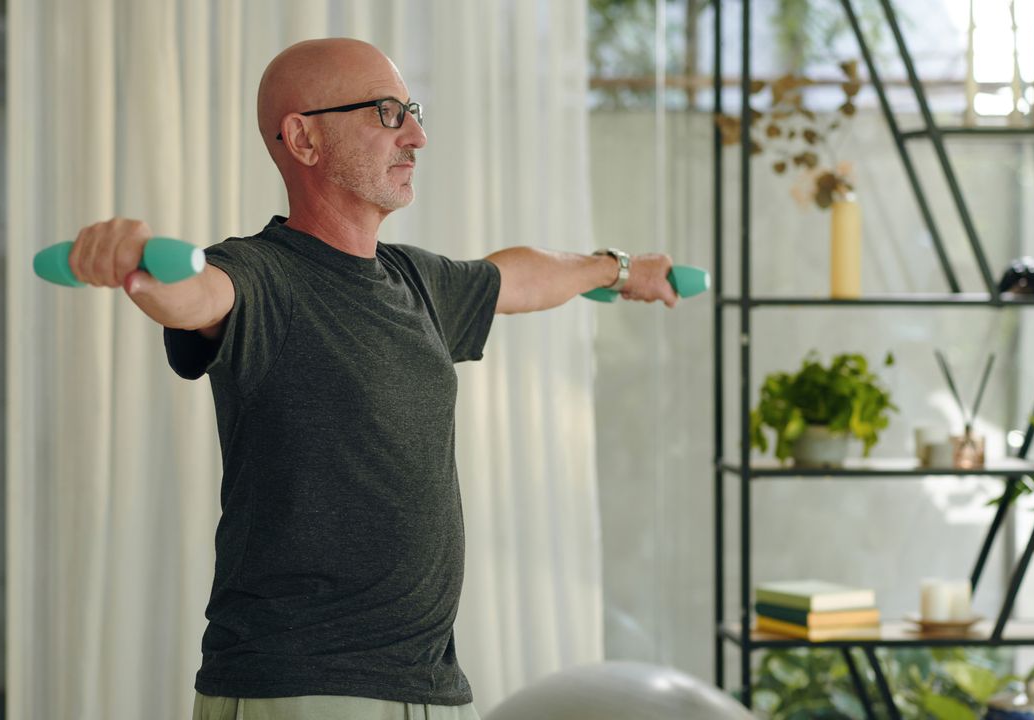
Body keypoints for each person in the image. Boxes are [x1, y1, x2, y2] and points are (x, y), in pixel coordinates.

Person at [66, 38, 678, 720]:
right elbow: (198, 296)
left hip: (428, 688)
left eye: (412, 111)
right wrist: (138, 268)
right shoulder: (262, 275)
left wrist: (618, 271)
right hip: (305, 686)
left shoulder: (417, 281)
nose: (416, 135)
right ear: (303, 138)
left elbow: (521, 274)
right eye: (388, 113)